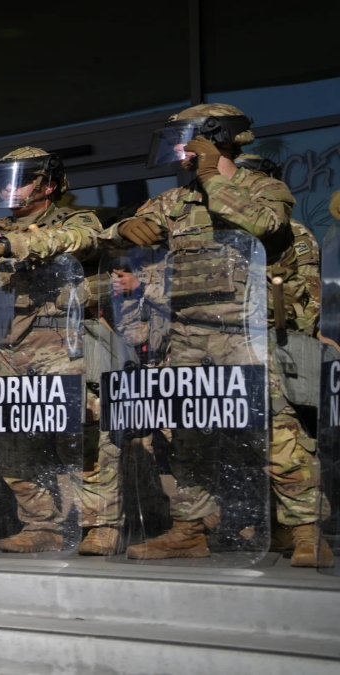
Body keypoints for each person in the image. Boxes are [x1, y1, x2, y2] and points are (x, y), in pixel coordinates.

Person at [109, 103, 331, 567]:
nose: (180, 151)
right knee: (191, 437)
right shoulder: (177, 201)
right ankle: (189, 530)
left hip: (247, 334)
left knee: (278, 433)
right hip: (189, 339)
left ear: (215, 138)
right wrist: (121, 228)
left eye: (187, 140)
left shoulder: (264, 188)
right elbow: (112, 236)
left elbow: (264, 225)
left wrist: (214, 176)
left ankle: (305, 532)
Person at [0, 147, 104, 553]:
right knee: (13, 443)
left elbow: (78, 240)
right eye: (5, 180)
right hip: (3, 351)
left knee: (78, 441)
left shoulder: (74, 217)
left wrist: (8, 243)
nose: (10, 189)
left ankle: (102, 523)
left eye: (22, 180)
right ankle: (40, 526)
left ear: (48, 184)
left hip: (58, 346)